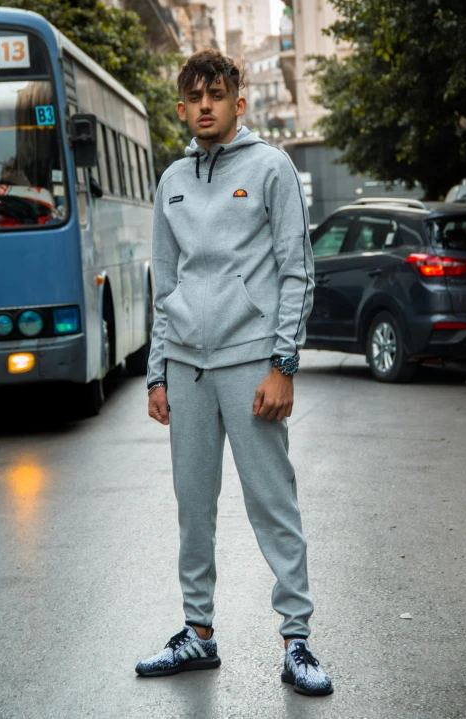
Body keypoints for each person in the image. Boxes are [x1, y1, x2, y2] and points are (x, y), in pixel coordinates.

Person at [135, 50, 333, 698]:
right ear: (181, 106)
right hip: (188, 367)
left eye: (216, 95)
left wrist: (283, 364)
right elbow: (165, 282)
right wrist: (156, 372)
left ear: (238, 101)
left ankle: (296, 639)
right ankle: (199, 633)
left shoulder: (270, 168)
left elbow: (295, 270)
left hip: (251, 361)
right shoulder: (172, 181)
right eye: (193, 97)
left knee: (272, 503)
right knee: (194, 508)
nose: (204, 107)